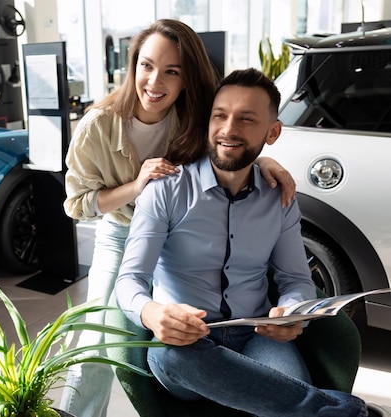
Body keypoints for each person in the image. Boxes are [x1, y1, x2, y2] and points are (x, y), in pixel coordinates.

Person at [61, 19, 296, 417]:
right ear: (132, 66)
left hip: (181, 230)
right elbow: (77, 204)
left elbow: (231, 140)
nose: (155, 82)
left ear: (187, 79)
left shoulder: (192, 113)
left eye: (172, 71)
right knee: (98, 333)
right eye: (147, 66)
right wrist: (138, 185)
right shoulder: (97, 125)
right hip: (123, 229)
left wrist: (265, 159)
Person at [115, 68, 370, 416]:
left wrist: (293, 314)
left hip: (257, 336)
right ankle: (339, 411)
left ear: (272, 132)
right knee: (168, 355)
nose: (229, 129)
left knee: (280, 397)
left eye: (246, 119)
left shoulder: (279, 198)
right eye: (220, 115)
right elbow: (129, 279)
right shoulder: (165, 191)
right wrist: (151, 312)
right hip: (187, 347)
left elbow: (295, 279)